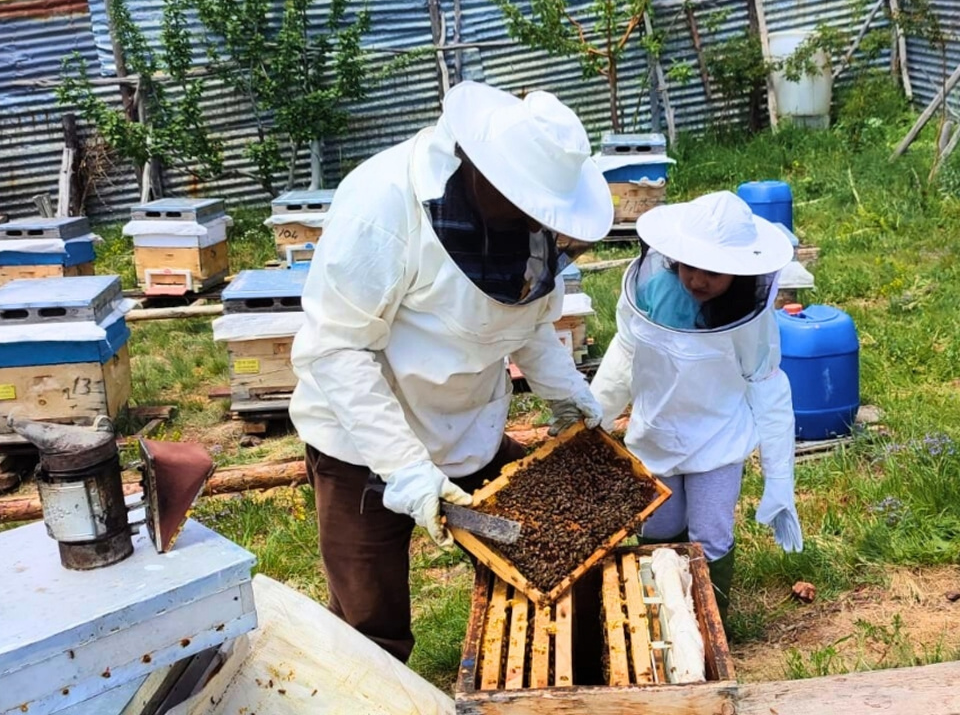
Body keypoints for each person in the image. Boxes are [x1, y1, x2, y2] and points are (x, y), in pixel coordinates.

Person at [289, 81, 610, 662]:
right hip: (360, 443)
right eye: (528, 203)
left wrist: (568, 398)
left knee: (556, 547)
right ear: (480, 172)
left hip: (467, 429)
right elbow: (336, 351)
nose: (537, 221)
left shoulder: (525, 229)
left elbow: (529, 322)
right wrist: (407, 471)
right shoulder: (381, 206)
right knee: (370, 628)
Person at [589, 191, 804, 626]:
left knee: (710, 537)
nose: (697, 280)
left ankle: (710, 630)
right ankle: (661, 624)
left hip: (717, 442)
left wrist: (780, 480)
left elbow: (769, 391)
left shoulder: (749, 317)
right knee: (658, 533)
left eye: (712, 272)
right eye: (689, 265)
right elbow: (623, 358)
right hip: (655, 437)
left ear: (740, 273)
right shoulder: (653, 293)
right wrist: (589, 419)